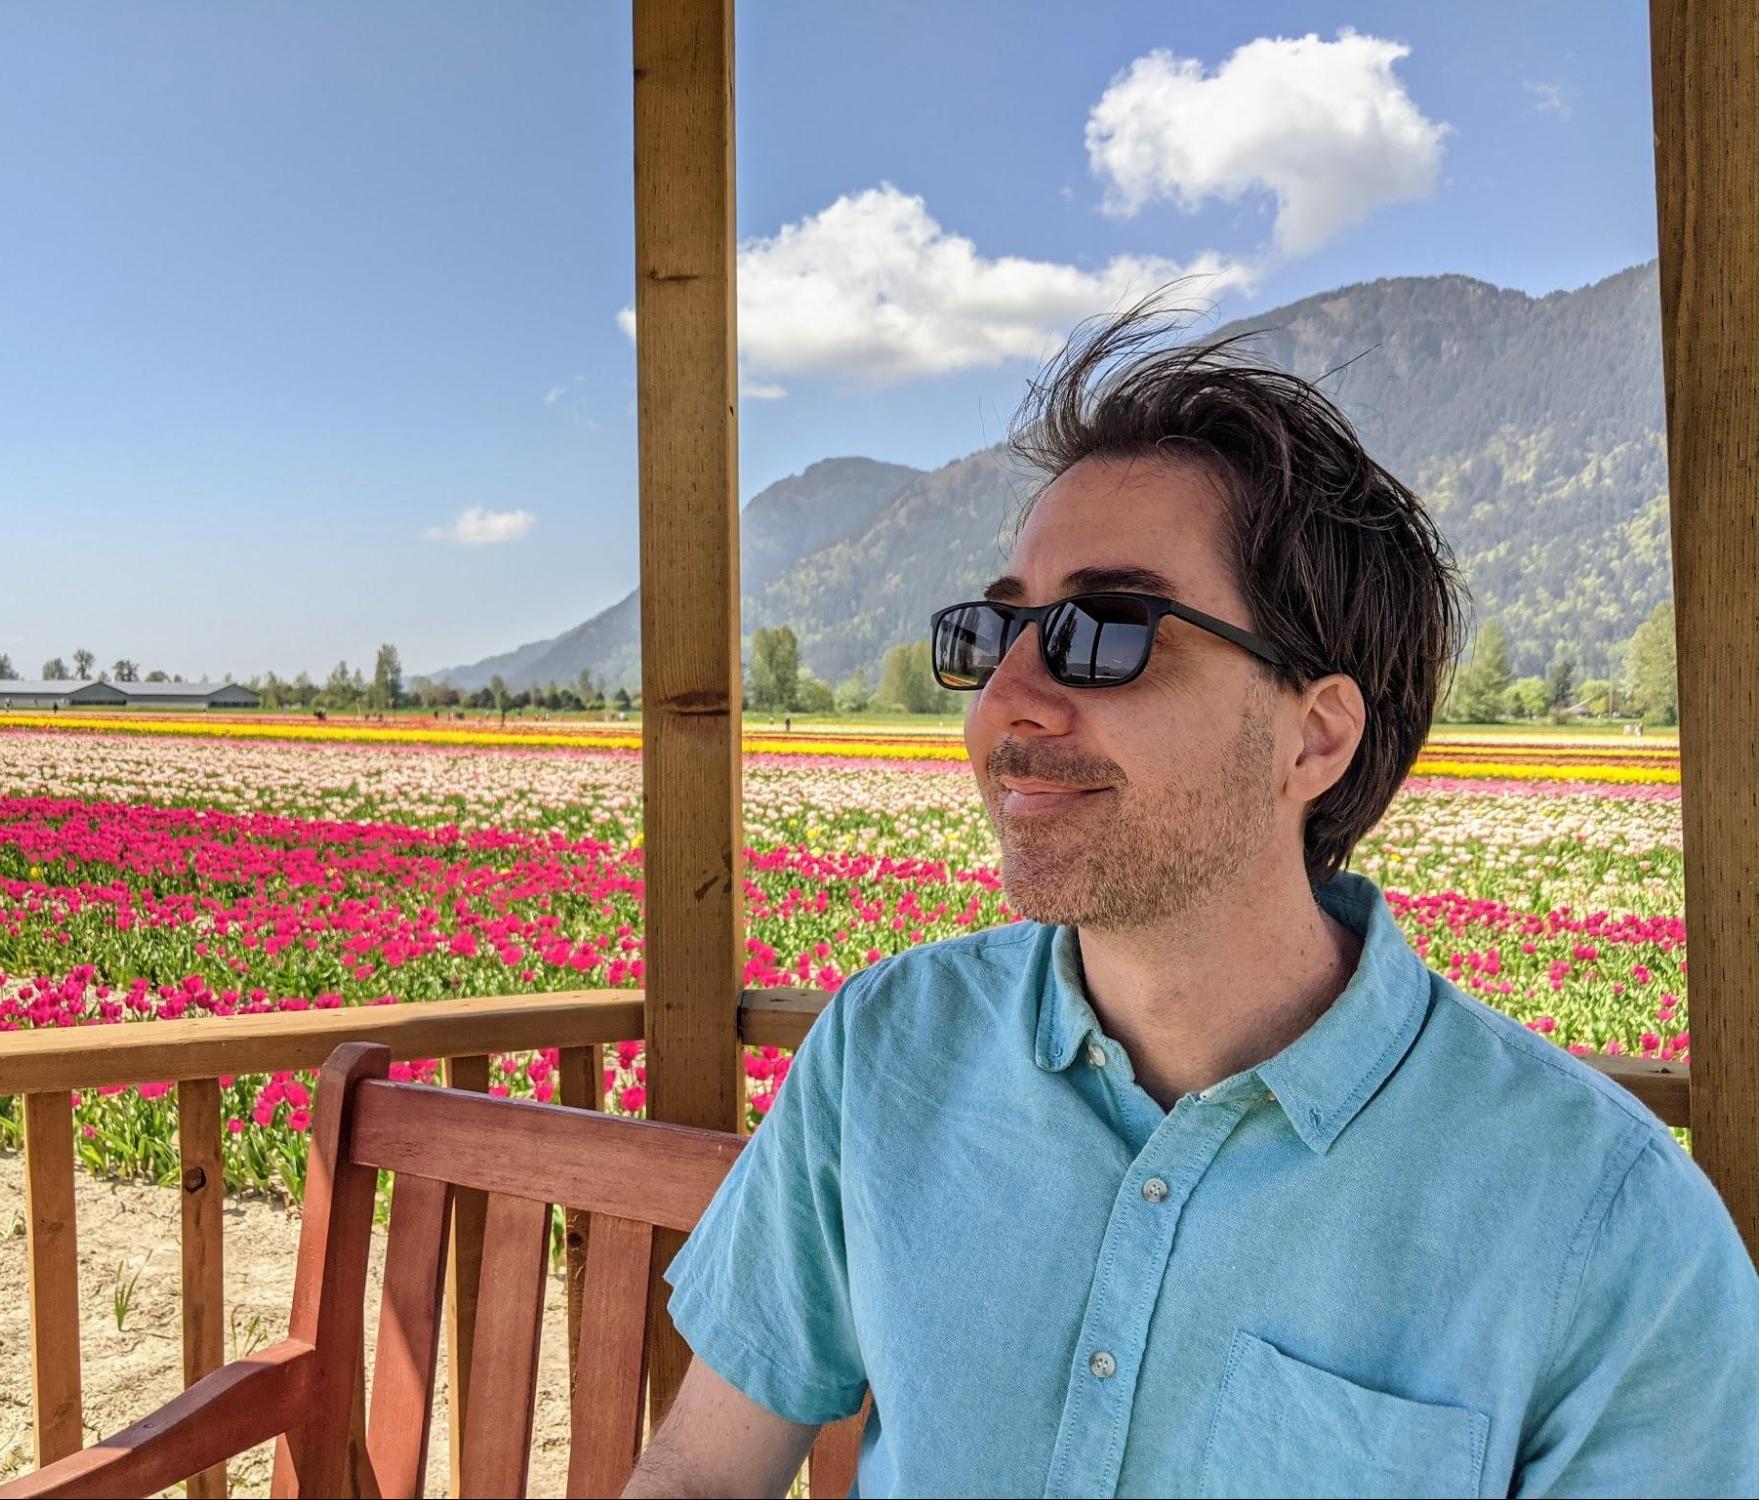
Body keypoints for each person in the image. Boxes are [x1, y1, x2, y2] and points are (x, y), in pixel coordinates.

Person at [624, 302, 1759, 1498]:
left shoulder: (1605, 1225)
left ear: (1312, 737)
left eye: (1107, 631)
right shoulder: (889, 1048)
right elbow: (705, 1468)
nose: (1005, 699)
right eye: (995, 631)